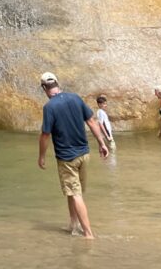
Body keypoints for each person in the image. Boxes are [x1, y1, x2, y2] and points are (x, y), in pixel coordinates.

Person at [37, 71, 108, 239]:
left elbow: (45, 135)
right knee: (73, 192)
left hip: (67, 158)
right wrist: (102, 143)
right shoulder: (75, 98)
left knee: (75, 194)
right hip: (84, 154)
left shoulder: (49, 107)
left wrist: (41, 156)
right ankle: (73, 225)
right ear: (57, 84)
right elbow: (91, 121)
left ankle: (88, 234)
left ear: (44, 88)